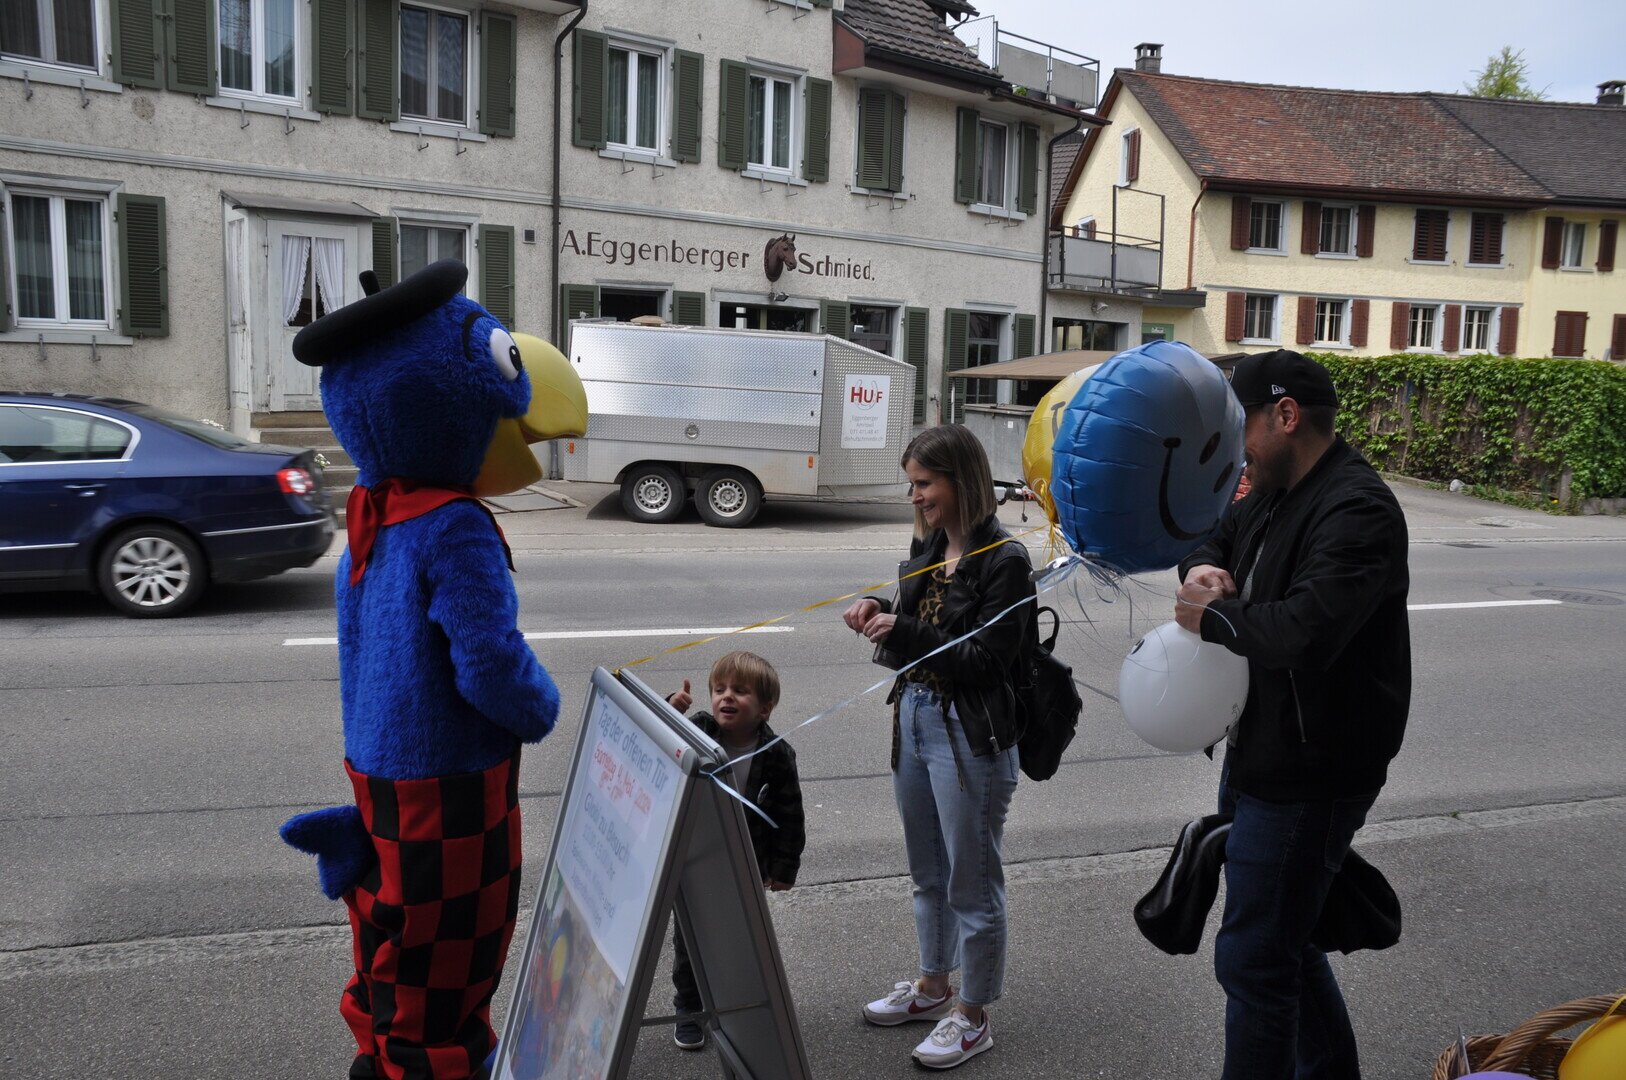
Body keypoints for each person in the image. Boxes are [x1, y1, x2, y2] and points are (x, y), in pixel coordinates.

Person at [1174, 349, 1411, 1080]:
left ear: (1285, 415)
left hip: (1313, 770)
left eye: (1238, 425)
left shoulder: (1357, 508)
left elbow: (1307, 631)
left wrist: (1214, 618)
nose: (1233, 446)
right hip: (1261, 749)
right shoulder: (1275, 490)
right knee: (1285, 938)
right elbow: (1217, 531)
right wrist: (1201, 565)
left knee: (1254, 959)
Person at [843, 424, 1035, 1071]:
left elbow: (985, 660)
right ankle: (933, 987)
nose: (916, 497)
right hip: (916, 717)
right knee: (928, 873)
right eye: (913, 485)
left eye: (925, 484)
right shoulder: (928, 544)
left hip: (969, 733)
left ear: (961, 480)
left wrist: (904, 629)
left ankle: (973, 1016)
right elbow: (913, 608)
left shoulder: (1005, 560)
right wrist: (877, 604)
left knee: (971, 884)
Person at [663, 651, 805, 1052]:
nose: (726, 697)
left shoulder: (777, 755)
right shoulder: (697, 731)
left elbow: (790, 815)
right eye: (719, 689)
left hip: (747, 863)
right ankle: (689, 1008)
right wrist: (671, 709)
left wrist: (784, 868)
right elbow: (660, 742)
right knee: (689, 942)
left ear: (764, 708)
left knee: (740, 938)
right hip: (695, 858)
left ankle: (734, 1004)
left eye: (740, 691)